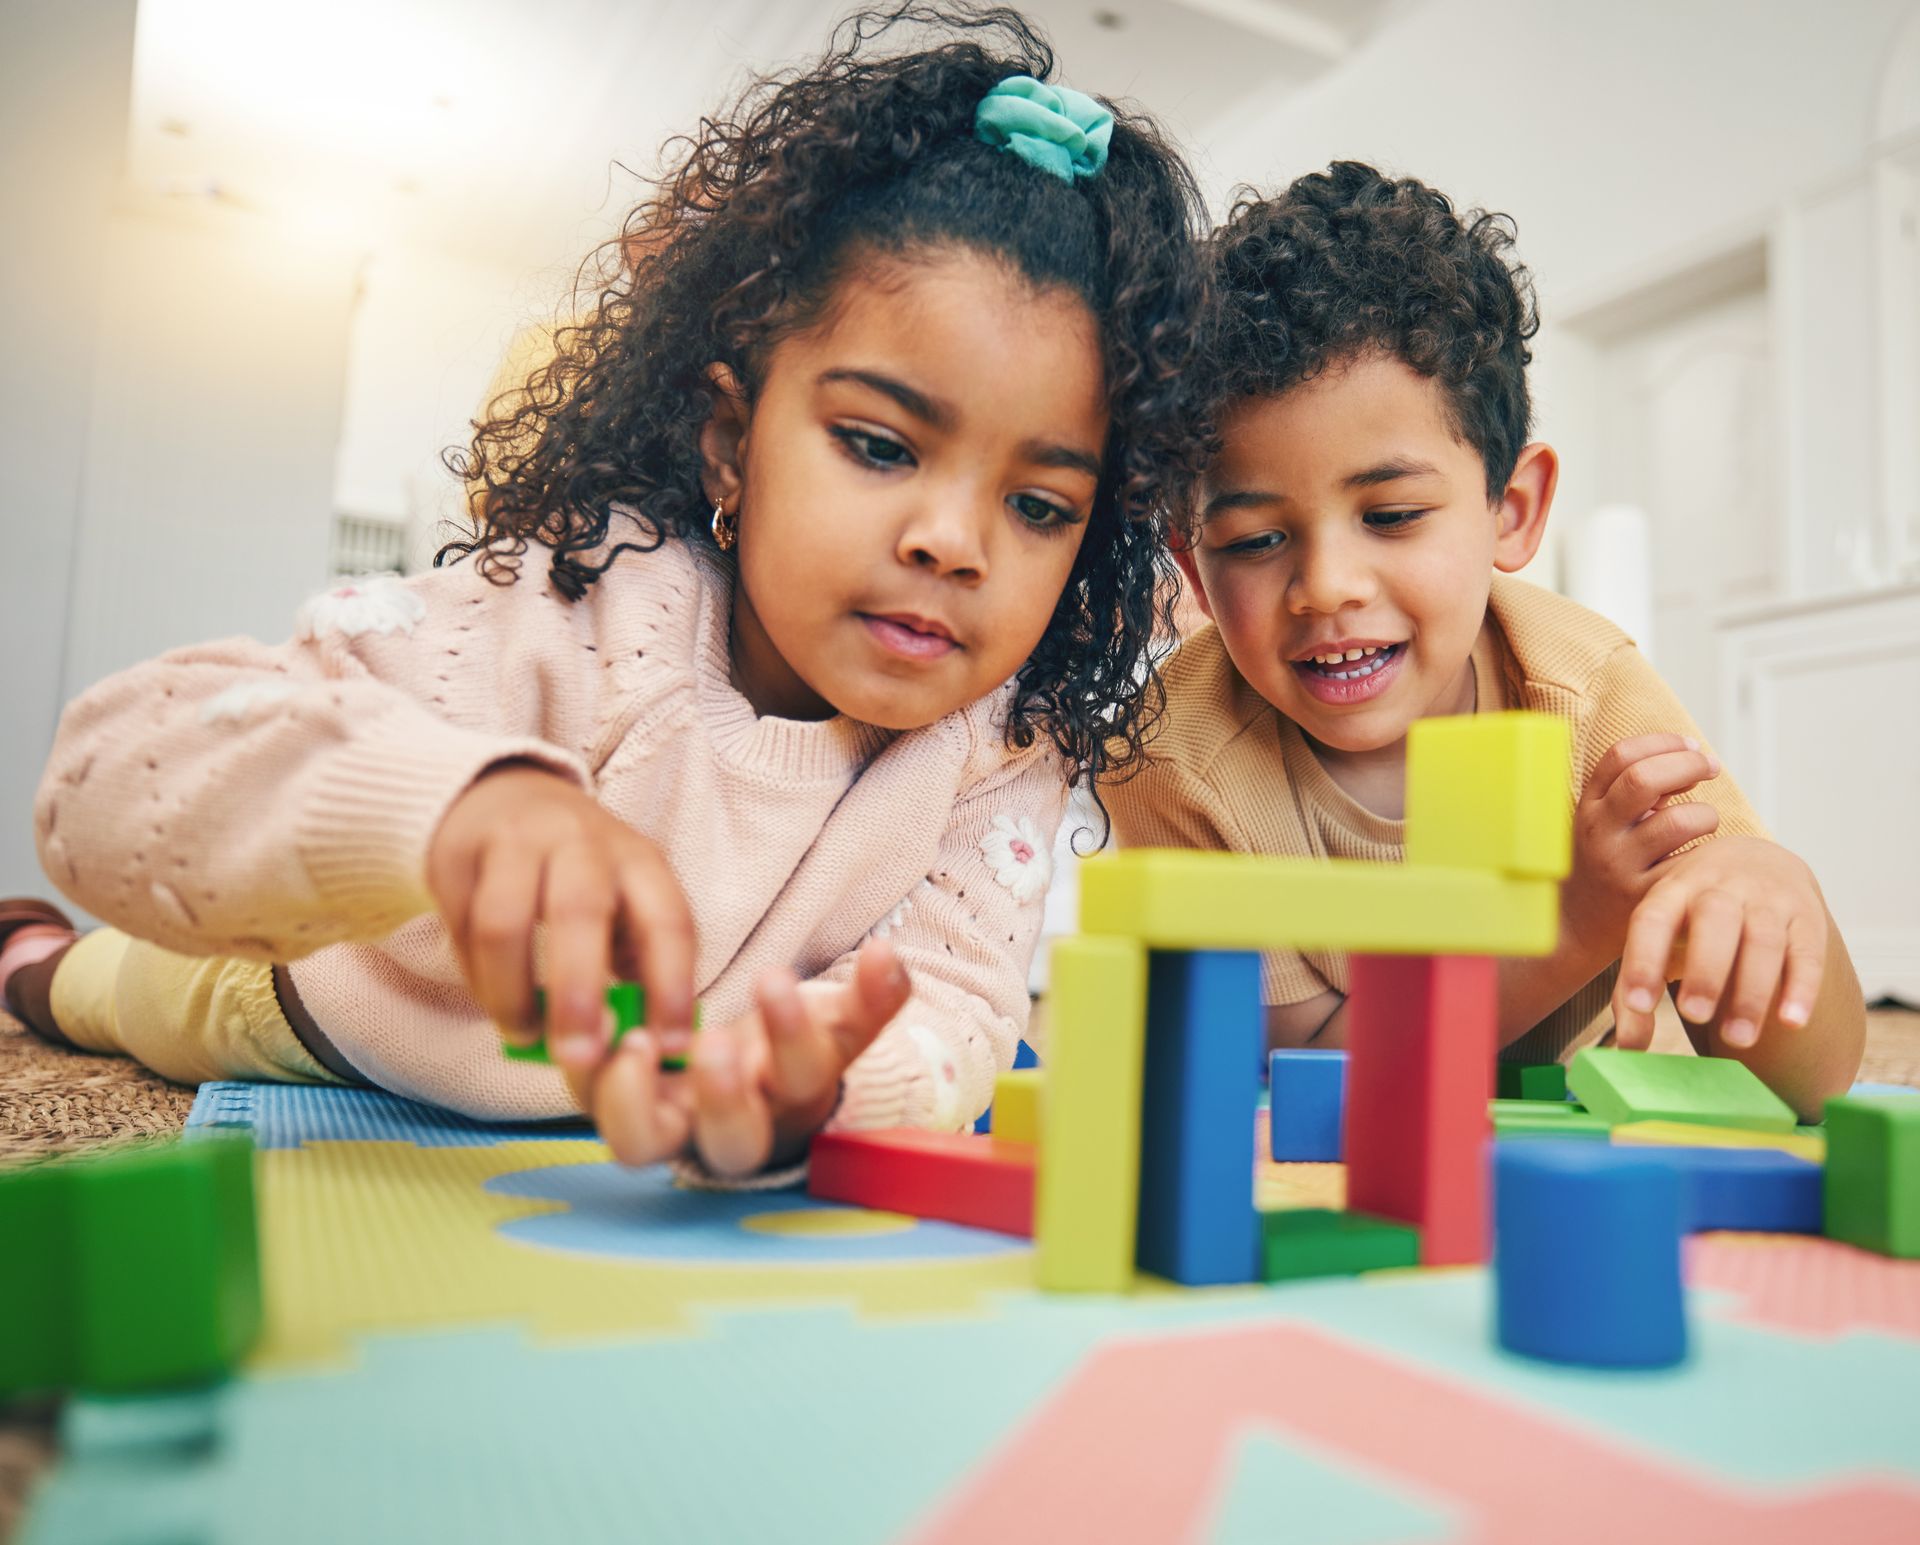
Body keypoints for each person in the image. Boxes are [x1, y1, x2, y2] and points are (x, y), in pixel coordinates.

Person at [2, 7, 1209, 1178]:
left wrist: (818, 1087)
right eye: (881, 445)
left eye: (1041, 506)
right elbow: (111, 775)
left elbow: (956, 1004)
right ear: (732, 440)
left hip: (619, 1104)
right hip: (317, 1004)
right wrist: (454, 812)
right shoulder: (582, 599)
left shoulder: (1003, 741)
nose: (954, 543)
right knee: (96, 990)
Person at [1107, 162, 1862, 1120]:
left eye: (1391, 514)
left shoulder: (1586, 692)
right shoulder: (1172, 754)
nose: (1327, 587)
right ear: (1194, 566)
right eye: (1256, 540)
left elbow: (1809, 1087)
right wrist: (1569, 927)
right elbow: (1298, 1085)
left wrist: (1769, 889)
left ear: (1512, 510)